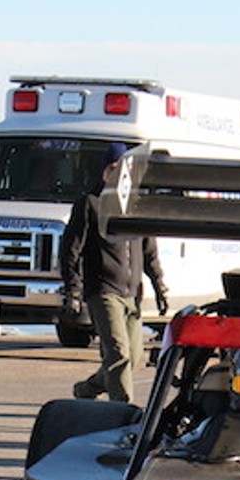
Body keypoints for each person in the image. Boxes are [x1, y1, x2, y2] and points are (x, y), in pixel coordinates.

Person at [61, 142, 169, 404]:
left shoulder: (135, 205)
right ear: (104, 172)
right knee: (117, 353)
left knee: (133, 356)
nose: (118, 173)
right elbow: (70, 250)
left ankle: (88, 388)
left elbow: (149, 251)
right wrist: (73, 290)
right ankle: (122, 411)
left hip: (132, 293)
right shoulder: (90, 204)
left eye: (123, 169)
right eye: (113, 167)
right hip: (103, 291)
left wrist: (159, 286)